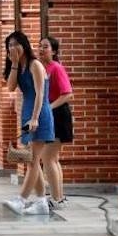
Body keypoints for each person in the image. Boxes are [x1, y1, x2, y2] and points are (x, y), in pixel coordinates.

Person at [2, 31, 58, 215]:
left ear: (24, 45)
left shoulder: (35, 65)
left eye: (16, 44)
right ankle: (41, 202)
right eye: (9, 45)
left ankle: (22, 199)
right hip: (26, 113)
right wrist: (15, 64)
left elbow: (41, 94)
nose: (13, 48)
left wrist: (34, 117)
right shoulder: (19, 67)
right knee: (30, 161)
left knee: (33, 160)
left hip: (39, 114)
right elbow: (10, 87)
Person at [35, 36, 72, 208]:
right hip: (49, 115)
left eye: (46, 47)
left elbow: (67, 94)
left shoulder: (56, 68)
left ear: (54, 51)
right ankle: (59, 197)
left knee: (47, 157)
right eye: (40, 46)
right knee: (53, 159)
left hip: (58, 115)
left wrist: (48, 107)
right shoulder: (42, 68)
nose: (41, 50)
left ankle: (56, 199)